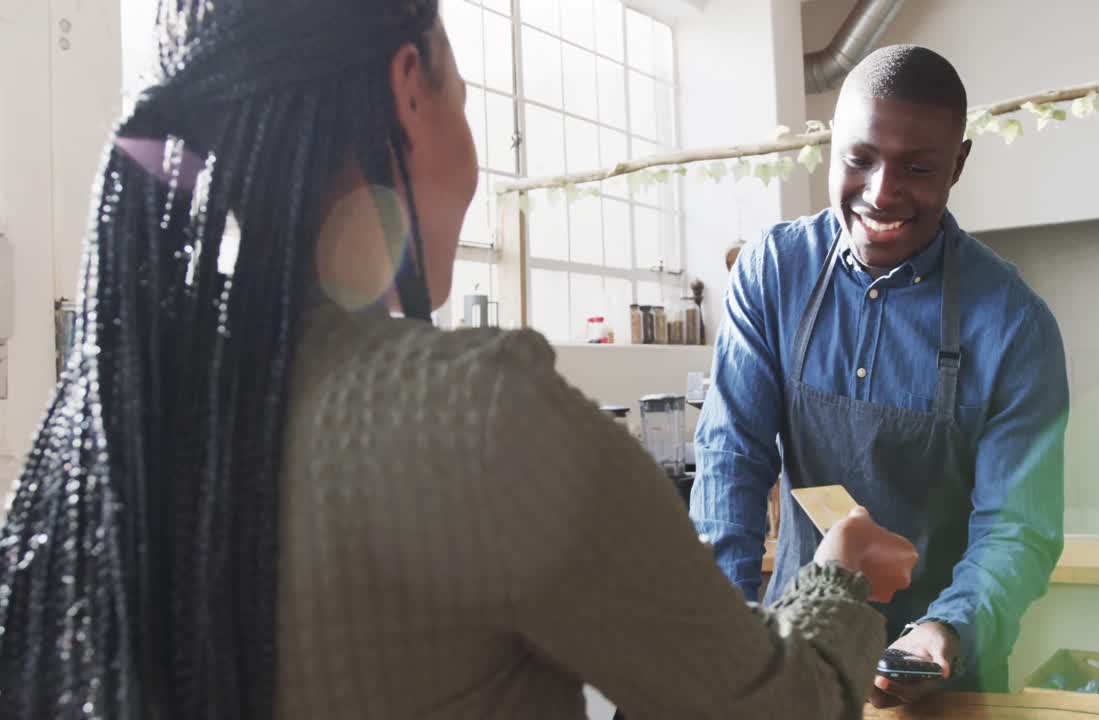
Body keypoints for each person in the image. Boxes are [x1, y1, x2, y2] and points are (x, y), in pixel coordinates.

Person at [0, 2, 922, 718]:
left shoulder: (100, 432)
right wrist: (837, 578)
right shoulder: (484, 419)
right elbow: (762, 705)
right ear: (410, 86)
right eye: (468, 103)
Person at [692, 44, 1070, 707]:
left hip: (945, 674)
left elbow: (1017, 528)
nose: (881, 192)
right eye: (859, 159)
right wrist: (725, 630)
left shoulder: (1015, 326)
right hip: (799, 649)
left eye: (917, 168)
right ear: (830, 145)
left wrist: (944, 631)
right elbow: (732, 457)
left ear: (958, 163)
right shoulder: (773, 273)